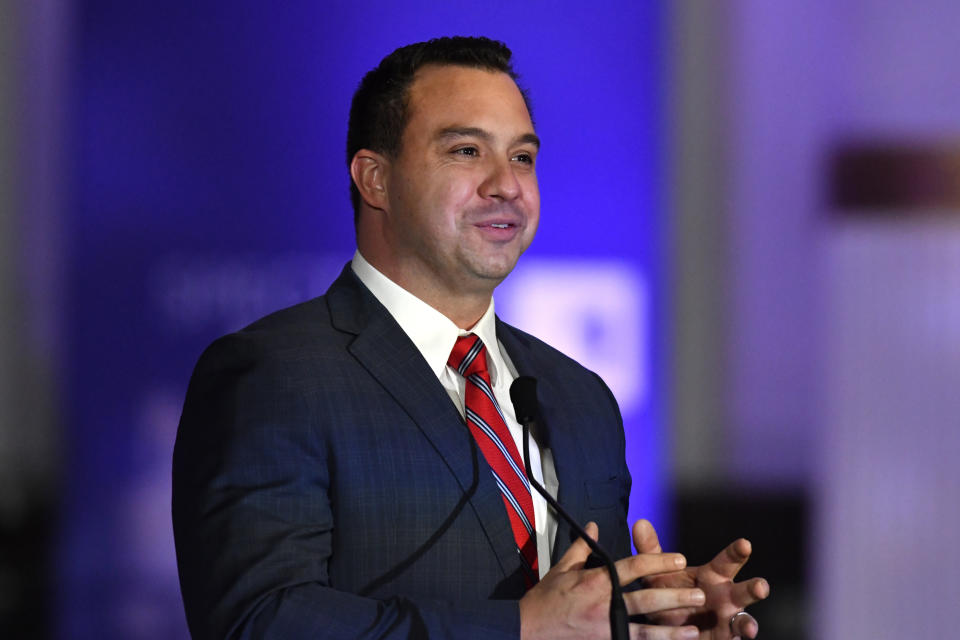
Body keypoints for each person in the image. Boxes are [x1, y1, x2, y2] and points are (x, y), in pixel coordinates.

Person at [172, 36, 768, 640]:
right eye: (466, 150)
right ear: (375, 179)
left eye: (523, 157)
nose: (506, 185)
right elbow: (257, 622)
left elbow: (575, 615)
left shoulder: (579, 397)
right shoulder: (273, 374)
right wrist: (516, 628)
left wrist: (653, 620)